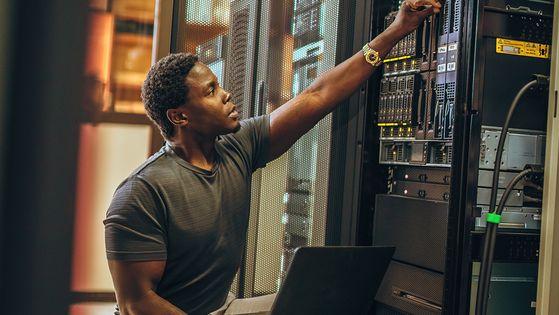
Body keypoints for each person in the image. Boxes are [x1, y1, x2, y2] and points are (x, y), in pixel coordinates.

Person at [104, 1, 442, 314]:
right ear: (179, 117)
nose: (225, 95)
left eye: (218, 85)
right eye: (210, 91)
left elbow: (317, 96)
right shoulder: (141, 194)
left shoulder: (237, 145)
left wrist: (398, 30)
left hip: (221, 307)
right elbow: (138, 304)